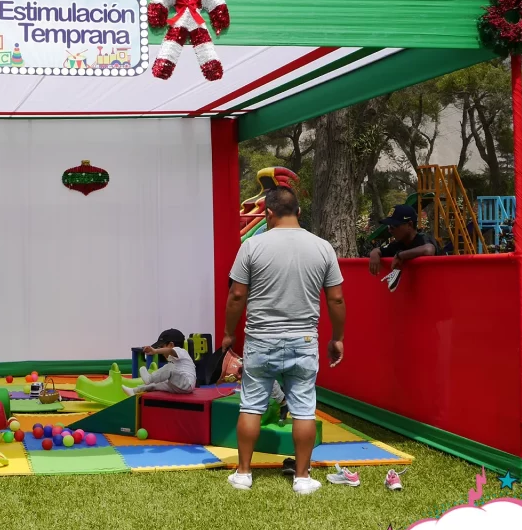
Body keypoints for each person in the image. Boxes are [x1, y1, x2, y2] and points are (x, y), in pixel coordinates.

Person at [222, 186, 346, 495]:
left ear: (268, 213)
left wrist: (228, 332)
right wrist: (338, 338)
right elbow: (336, 299)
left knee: (251, 406)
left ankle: (243, 473)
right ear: (299, 212)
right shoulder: (323, 248)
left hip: (261, 339)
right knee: (303, 409)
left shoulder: (251, 246)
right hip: (304, 340)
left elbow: (236, 295)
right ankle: (302, 478)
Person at [368, 204, 437, 279]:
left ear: (409, 225)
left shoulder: (422, 238)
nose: (390, 230)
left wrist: (400, 255)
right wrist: (374, 252)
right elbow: (381, 251)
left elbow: (429, 250)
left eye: (394, 226)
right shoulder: (398, 244)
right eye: (389, 226)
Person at [122, 329, 196, 396]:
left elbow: (170, 350)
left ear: (171, 345)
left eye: (162, 347)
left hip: (186, 383)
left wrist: (155, 351)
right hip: (179, 386)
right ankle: (134, 390)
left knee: (169, 367)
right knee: (155, 384)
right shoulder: (174, 359)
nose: (161, 351)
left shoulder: (181, 351)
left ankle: (149, 379)